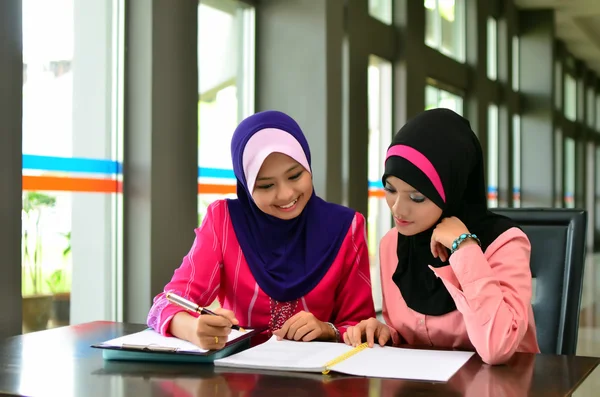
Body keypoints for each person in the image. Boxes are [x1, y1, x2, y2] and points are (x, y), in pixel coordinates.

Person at [147, 110, 376, 349]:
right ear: (246, 186)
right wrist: (193, 329)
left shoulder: (345, 226)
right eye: (266, 185)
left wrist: (327, 330)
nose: (286, 194)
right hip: (239, 378)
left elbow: (362, 326)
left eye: (295, 175)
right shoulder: (224, 222)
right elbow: (164, 305)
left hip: (320, 377)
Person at [344, 108, 540, 365]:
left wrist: (465, 248)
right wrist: (386, 334)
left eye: (417, 197)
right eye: (390, 190)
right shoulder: (392, 244)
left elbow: (498, 348)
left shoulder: (505, 243)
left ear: (452, 188)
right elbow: (411, 336)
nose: (397, 209)